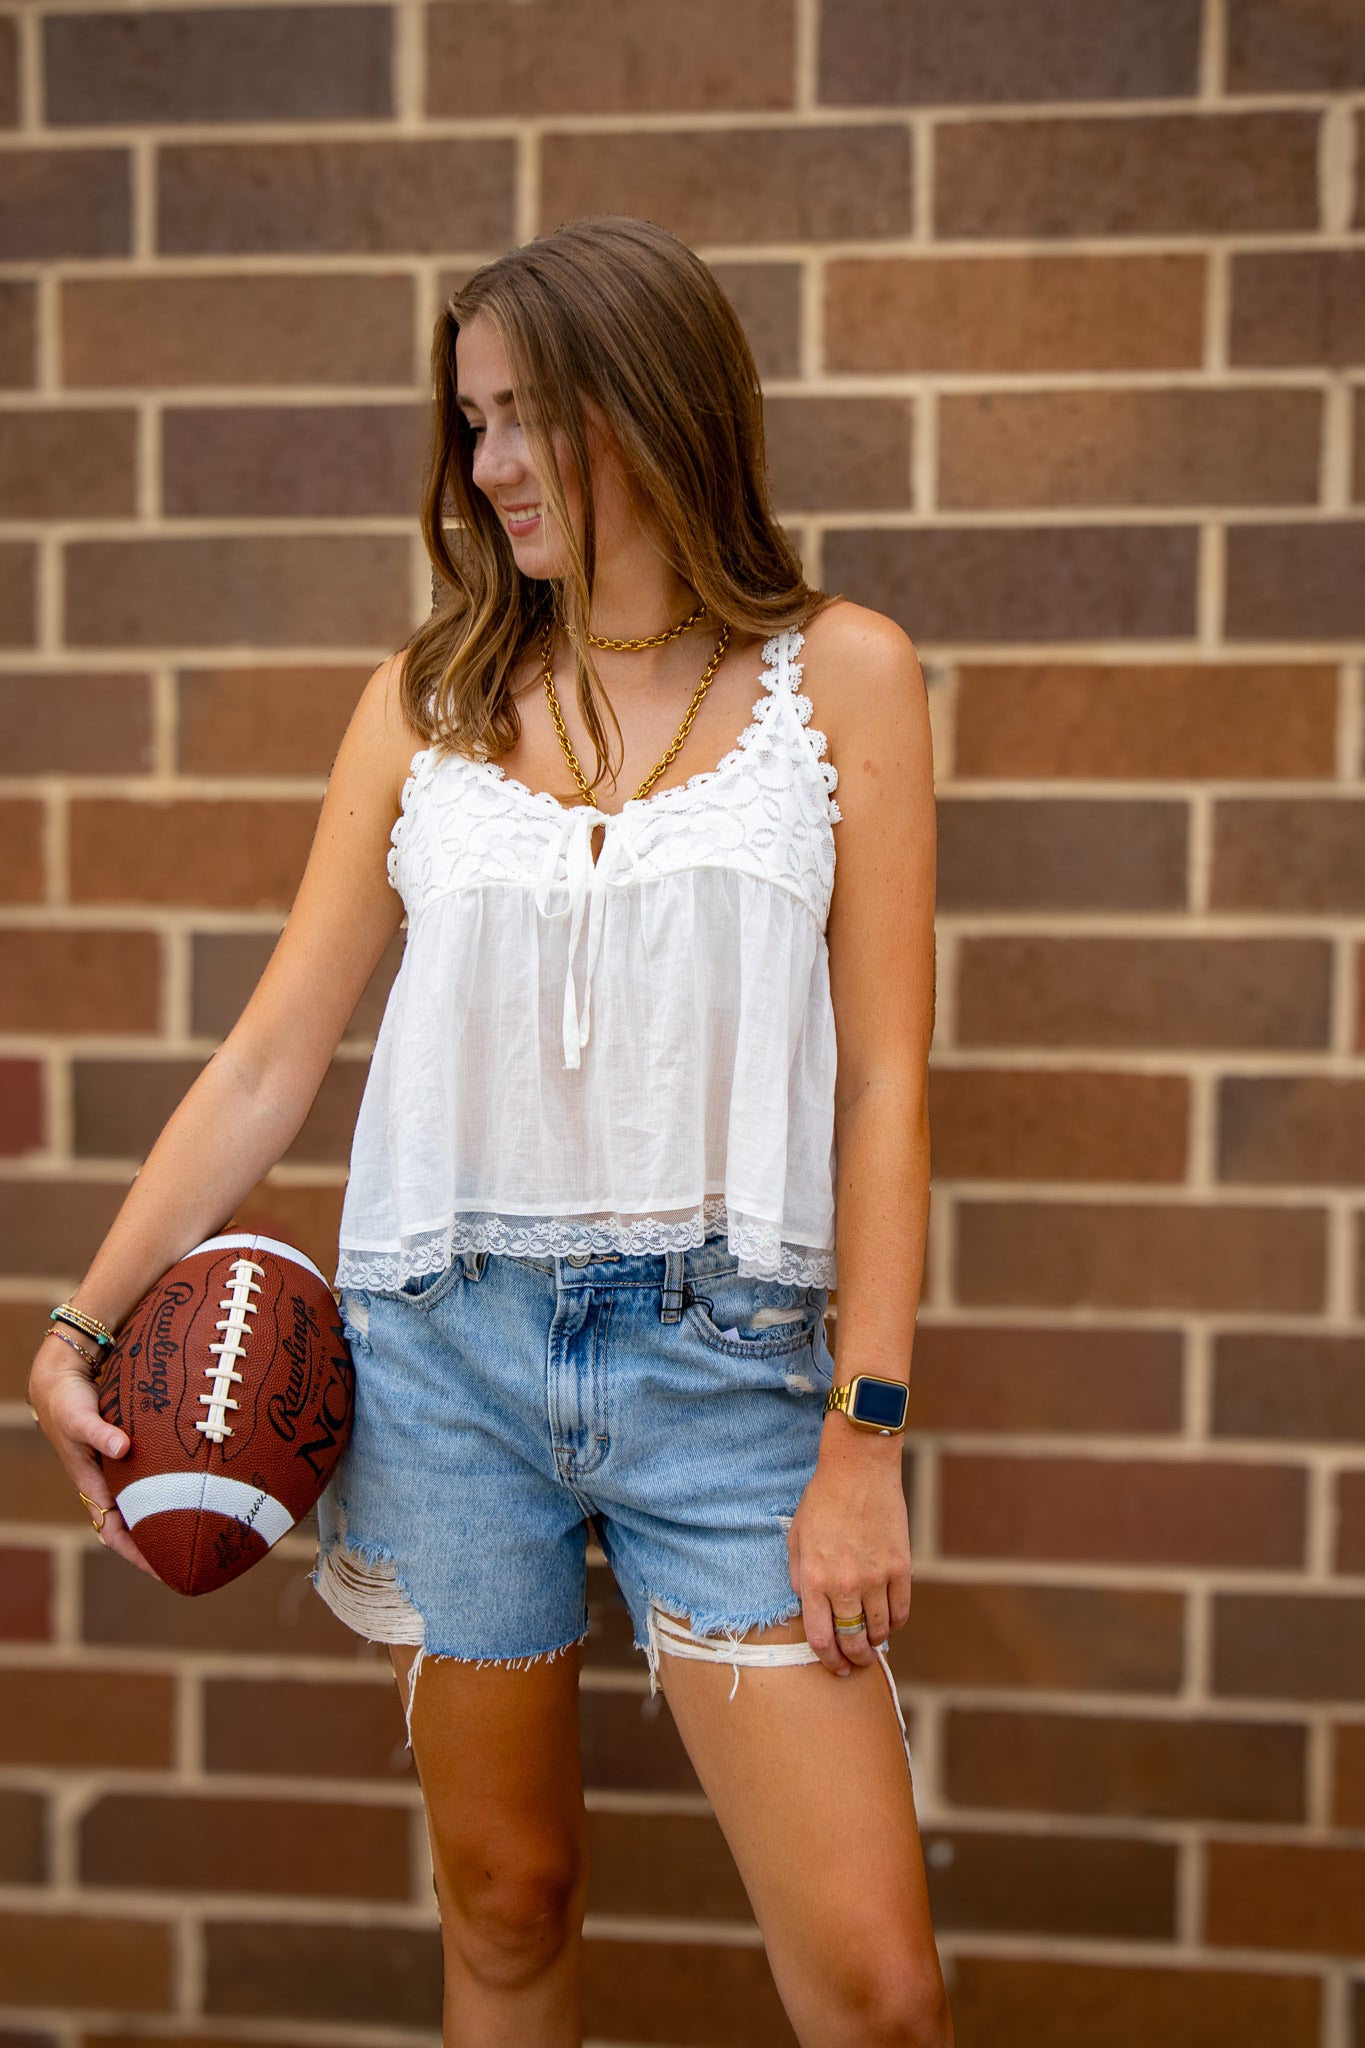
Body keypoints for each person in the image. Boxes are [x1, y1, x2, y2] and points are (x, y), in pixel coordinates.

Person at [29, 215, 950, 2048]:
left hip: (730, 1374)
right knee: (508, 1906)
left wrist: (865, 1434)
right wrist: (81, 1320)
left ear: (660, 405)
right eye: (473, 422)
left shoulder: (838, 677)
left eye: (533, 415)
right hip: (440, 1370)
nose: (492, 464)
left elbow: (883, 1087)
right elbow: (272, 1057)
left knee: (879, 1988)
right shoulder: (425, 704)